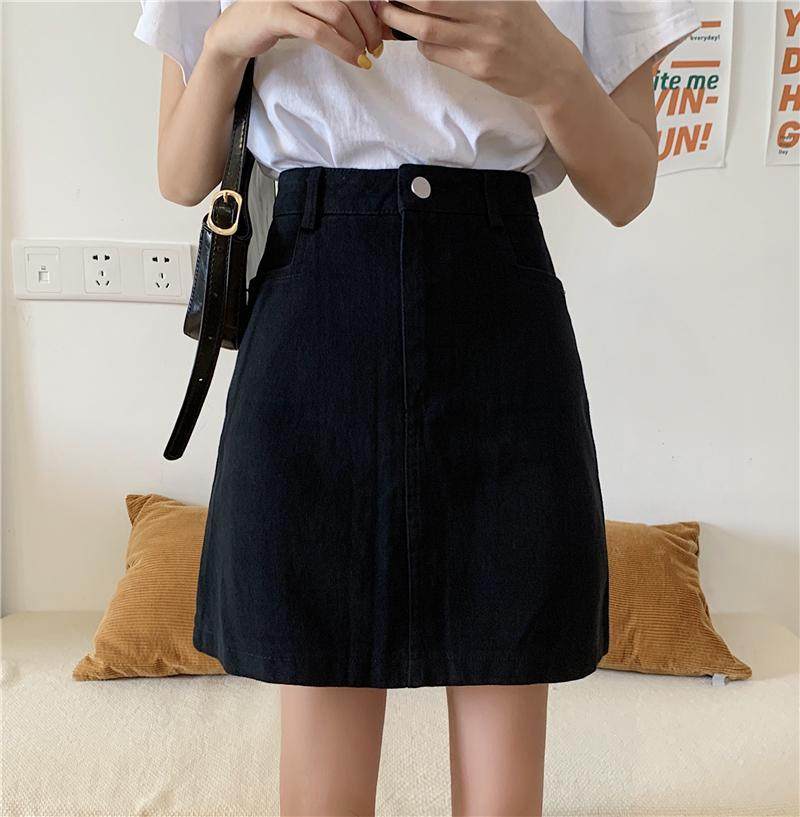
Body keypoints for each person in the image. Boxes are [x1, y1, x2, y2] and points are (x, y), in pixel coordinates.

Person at [134, 2, 699, 815]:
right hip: (314, 310)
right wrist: (233, 36)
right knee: (322, 774)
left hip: (498, 321)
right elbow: (181, 175)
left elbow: (627, 187)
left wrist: (551, 71)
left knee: (504, 753)